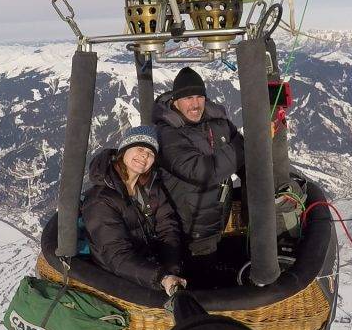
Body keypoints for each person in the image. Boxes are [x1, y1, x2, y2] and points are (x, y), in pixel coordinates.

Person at [153, 67, 245, 265]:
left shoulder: (218, 123)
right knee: (202, 280)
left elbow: (242, 159)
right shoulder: (167, 134)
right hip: (189, 231)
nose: (195, 104)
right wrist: (247, 144)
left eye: (199, 96)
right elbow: (202, 171)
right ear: (175, 101)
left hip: (218, 219)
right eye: (187, 98)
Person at [81, 125, 187, 294]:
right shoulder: (100, 200)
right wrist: (162, 278)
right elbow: (117, 257)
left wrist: (171, 269)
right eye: (139, 148)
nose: (144, 155)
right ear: (124, 150)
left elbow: (168, 227)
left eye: (151, 153)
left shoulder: (150, 187)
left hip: (152, 269)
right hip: (122, 280)